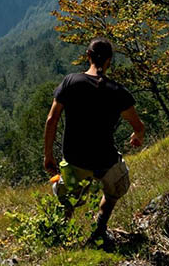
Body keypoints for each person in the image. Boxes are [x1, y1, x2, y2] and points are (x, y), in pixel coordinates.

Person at [43, 37, 145, 247]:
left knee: (69, 200)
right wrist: (137, 136)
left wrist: (48, 155)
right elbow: (138, 125)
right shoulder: (118, 92)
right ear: (109, 60)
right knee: (117, 187)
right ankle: (99, 228)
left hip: (75, 159)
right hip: (105, 160)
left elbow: (51, 120)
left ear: (88, 56)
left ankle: (60, 236)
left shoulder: (70, 83)